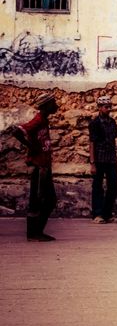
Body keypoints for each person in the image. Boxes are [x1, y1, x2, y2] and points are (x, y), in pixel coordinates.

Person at [3, 94, 58, 241]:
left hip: (44, 165)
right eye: (53, 103)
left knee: (46, 200)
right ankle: (34, 233)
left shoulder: (43, 120)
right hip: (39, 167)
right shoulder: (38, 120)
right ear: (46, 106)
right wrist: (30, 145)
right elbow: (16, 131)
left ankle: (36, 232)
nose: (56, 105)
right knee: (40, 200)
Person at [88, 95, 117, 224]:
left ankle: (107, 213)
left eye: (109, 107)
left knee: (113, 186)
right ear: (100, 108)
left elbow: (114, 138)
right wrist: (92, 163)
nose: (108, 109)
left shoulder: (112, 122)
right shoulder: (94, 124)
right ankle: (97, 214)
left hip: (111, 159)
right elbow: (92, 144)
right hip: (99, 159)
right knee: (98, 187)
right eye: (106, 107)